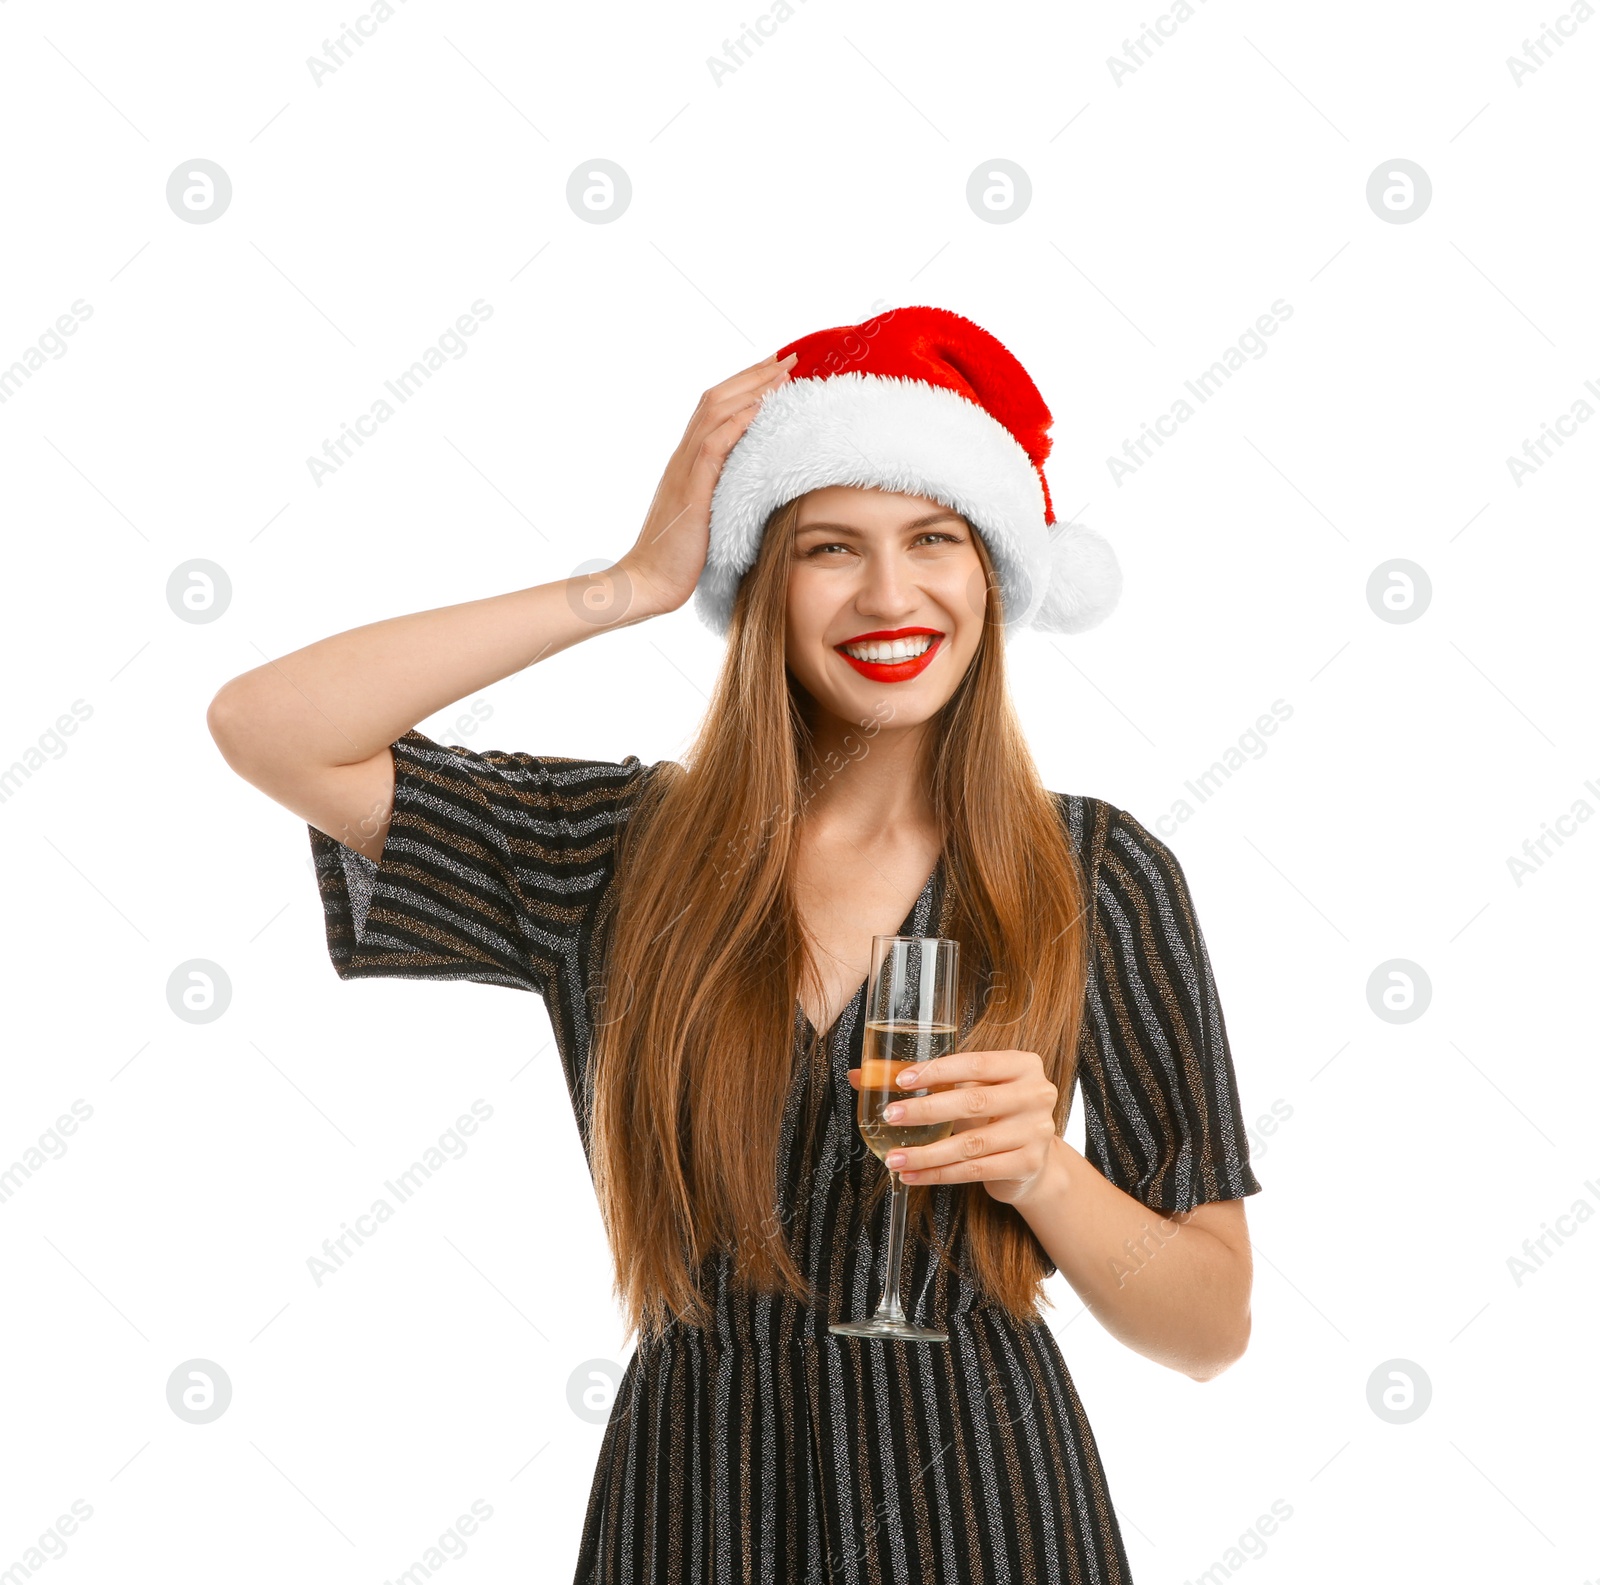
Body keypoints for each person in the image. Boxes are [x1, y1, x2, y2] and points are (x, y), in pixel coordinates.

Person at [207, 305, 1262, 1584]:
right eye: (830, 547)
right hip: (695, 1501)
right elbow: (271, 725)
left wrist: (1042, 1170)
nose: (890, 592)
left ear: (993, 571)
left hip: (984, 1503)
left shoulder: (1096, 871)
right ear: (761, 580)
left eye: (934, 538)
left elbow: (1207, 1327)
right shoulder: (616, 848)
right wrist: (628, 585)